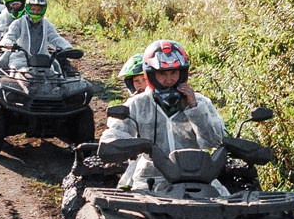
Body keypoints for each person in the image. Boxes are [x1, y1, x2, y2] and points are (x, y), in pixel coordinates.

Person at [97, 39, 227, 188]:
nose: (169, 79)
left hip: (198, 177)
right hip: (150, 178)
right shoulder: (137, 104)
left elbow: (214, 141)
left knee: (224, 198)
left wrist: (194, 108)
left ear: (182, 72)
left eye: (173, 72)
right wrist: (137, 146)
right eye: (162, 73)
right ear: (151, 74)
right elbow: (113, 137)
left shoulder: (200, 102)